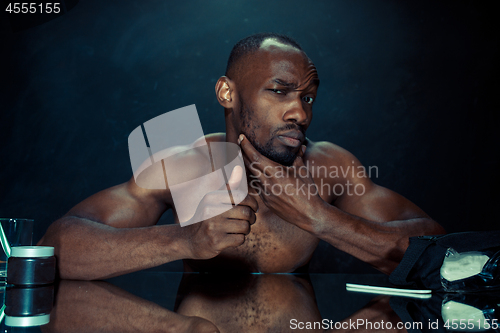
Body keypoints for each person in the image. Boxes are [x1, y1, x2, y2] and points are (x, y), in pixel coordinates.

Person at [38, 33, 445, 280]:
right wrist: (185, 240)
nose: (300, 113)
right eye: (279, 91)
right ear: (227, 94)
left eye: (307, 98)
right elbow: (55, 249)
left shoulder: (326, 166)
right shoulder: (183, 165)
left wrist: (320, 217)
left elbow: (440, 251)